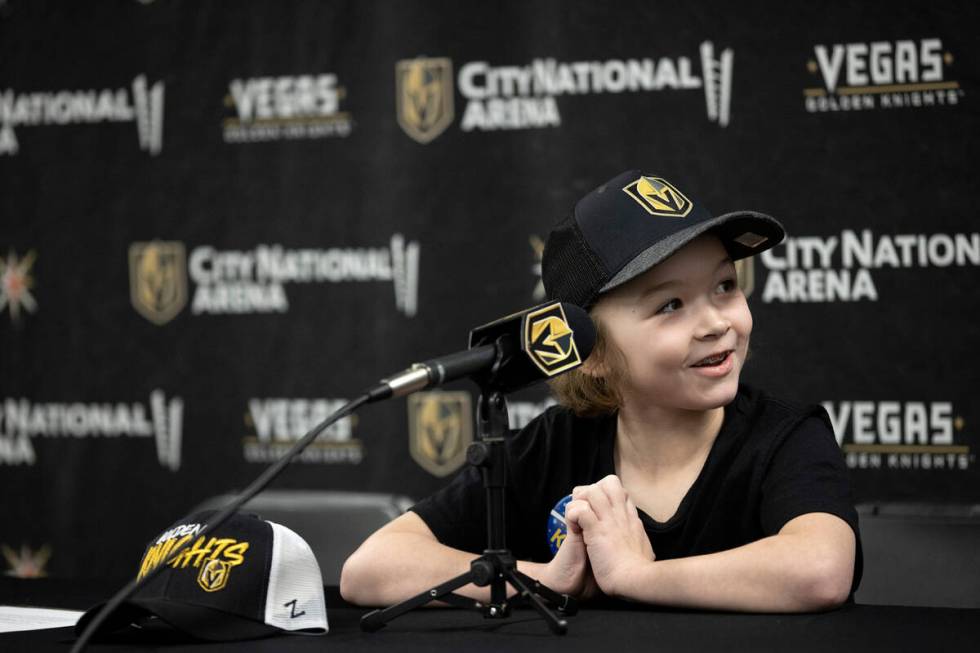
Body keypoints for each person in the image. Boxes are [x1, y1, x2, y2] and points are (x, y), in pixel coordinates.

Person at [340, 170, 862, 612]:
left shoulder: (785, 437)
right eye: (670, 306)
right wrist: (543, 579)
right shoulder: (551, 446)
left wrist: (635, 576)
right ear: (589, 353)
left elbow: (820, 568)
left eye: (724, 286)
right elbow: (370, 569)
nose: (715, 323)